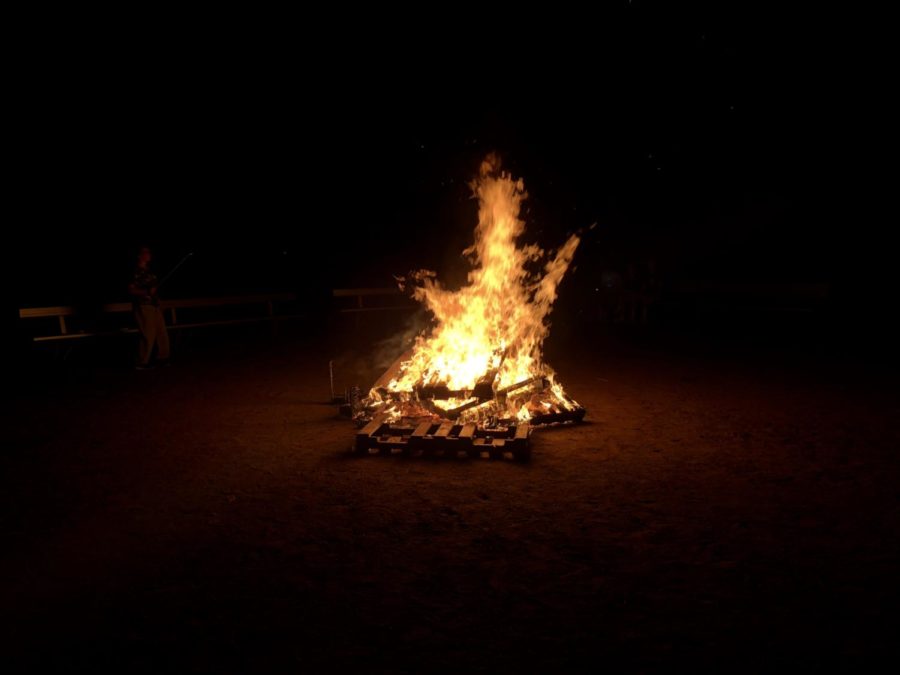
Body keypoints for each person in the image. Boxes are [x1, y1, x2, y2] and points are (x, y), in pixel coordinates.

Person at [128, 245, 170, 369]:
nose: (149, 254)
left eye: (149, 252)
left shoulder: (150, 272)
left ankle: (163, 358)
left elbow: (154, 290)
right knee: (148, 334)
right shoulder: (134, 271)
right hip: (143, 306)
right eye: (145, 252)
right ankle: (142, 362)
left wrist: (158, 300)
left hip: (154, 306)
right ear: (139, 255)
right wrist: (146, 293)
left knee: (162, 333)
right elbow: (131, 290)